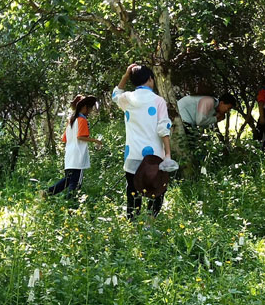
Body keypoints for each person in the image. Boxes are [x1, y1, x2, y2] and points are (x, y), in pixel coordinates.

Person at [113, 63, 173, 219]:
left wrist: (126, 75)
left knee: (133, 191)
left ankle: (132, 223)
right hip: (154, 157)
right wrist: (168, 154)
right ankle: (150, 223)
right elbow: (163, 129)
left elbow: (115, 95)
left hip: (132, 154)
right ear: (150, 79)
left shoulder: (126, 98)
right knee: (157, 189)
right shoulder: (158, 101)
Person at [40, 95, 101, 203]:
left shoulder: (71, 121)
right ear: (85, 107)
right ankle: (71, 204)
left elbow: (64, 138)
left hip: (69, 154)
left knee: (68, 180)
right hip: (79, 155)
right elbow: (80, 136)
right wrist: (96, 141)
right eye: (90, 108)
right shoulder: (82, 120)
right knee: (75, 182)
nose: (90, 111)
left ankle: (48, 192)